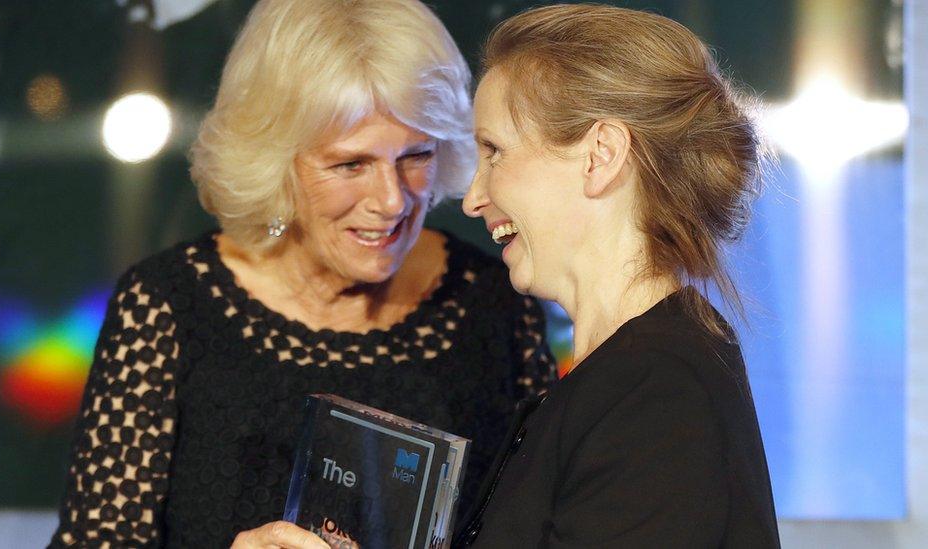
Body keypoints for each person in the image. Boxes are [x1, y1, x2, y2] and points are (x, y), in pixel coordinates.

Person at [48, 0, 555, 547]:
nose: (390, 200)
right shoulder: (169, 305)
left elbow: (550, 525)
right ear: (274, 159)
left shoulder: (493, 300)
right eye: (350, 164)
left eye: (416, 155)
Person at [454, 4, 780, 547]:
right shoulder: (631, 377)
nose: (472, 198)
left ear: (600, 156)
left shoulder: (656, 393)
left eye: (495, 152)